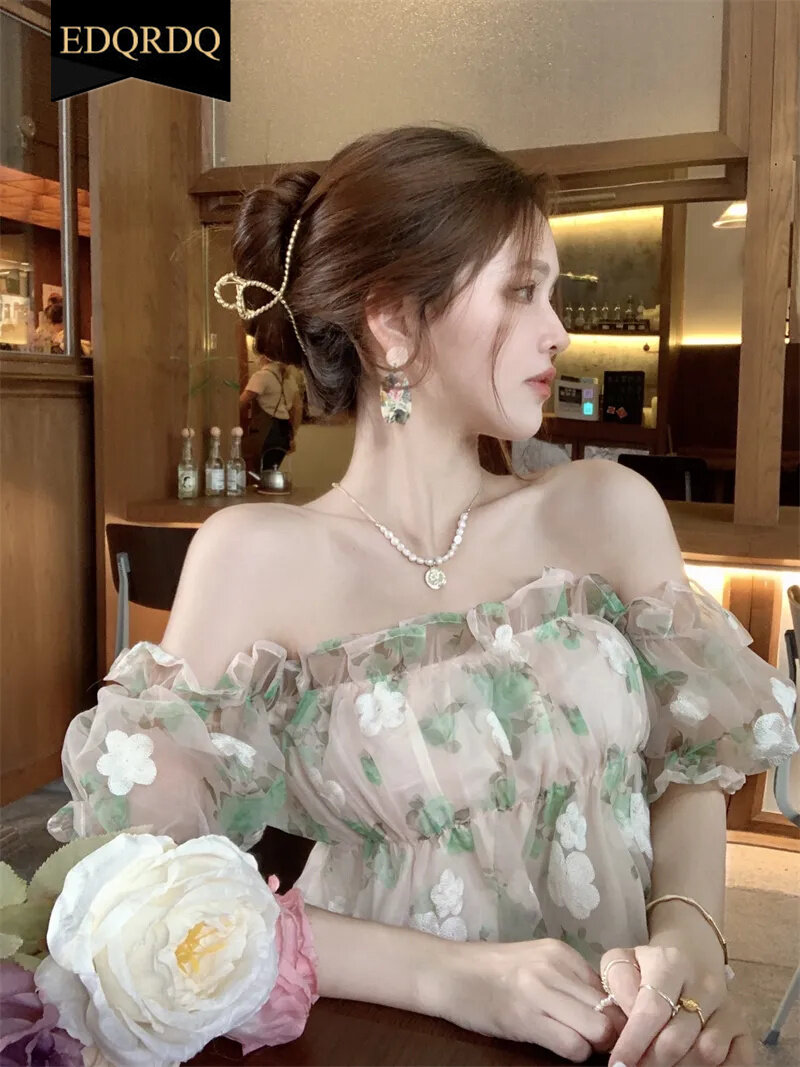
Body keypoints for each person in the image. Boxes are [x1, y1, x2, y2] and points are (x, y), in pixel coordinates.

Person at [49, 126, 797, 1066]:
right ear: (393, 321)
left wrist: (690, 936)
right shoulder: (254, 558)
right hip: (382, 1040)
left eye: (552, 292)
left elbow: (687, 760)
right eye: (521, 290)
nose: (559, 330)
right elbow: (148, 881)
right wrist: (448, 975)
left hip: (619, 1040)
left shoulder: (605, 511)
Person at [239, 355, 304, 472]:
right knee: (271, 471)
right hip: (285, 431)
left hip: (266, 431)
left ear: (264, 357)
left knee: (254, 469)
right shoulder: (289, 378)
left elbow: (241, 402)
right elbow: (297, 409)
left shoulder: (262, 376)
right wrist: (292, 436)